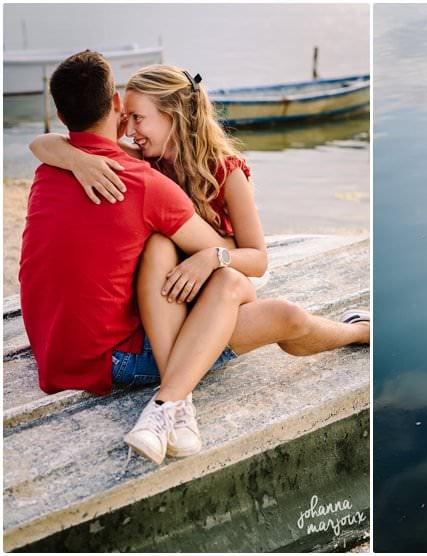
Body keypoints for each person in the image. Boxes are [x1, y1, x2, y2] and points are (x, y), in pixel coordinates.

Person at [21, 52, 369, 466]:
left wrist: (213, 257)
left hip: (200, 291)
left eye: (138, 119)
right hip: (166, 307)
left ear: (175, 117)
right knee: (272, 307)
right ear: (114, 106)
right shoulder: (137, 167)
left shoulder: (222, 171)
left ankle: (358, 333)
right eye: (126, 117)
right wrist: (76, 157)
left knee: (241, 286)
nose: (127, 130)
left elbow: (256, 259)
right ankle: (175, 397)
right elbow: (47, 144)